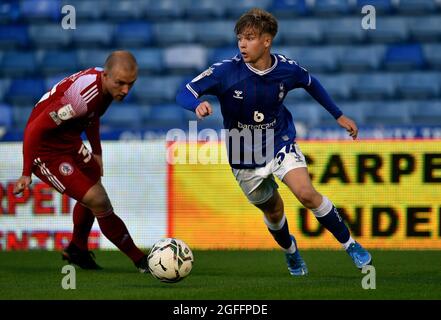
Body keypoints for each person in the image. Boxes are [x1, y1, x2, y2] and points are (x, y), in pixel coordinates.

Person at [176, 8, 372, 276]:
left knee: (306, 193)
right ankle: (291, 252)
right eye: (239, 38)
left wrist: (337, 114)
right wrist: (196, 104)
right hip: (243, 154)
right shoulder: (225, 72)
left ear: (266, 41)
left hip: (279, 142)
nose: (242, 44)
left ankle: (350, 245)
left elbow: (311, 83)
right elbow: (184, 91)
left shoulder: (286, 69)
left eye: (249, 38)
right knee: (273, 210)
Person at [13, 50, 149, 273]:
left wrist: (97, 152)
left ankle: (77, 248)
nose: (125, 90)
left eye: (131, 84)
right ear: (105, 75)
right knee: (98, 199)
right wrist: (26, 172)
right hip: (45, 150)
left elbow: (91, 116)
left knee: (95, 186)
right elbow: (35, 128)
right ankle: (142, 262)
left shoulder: (102, 86)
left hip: (68, 139)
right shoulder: (81, 98)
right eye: (121, 83)